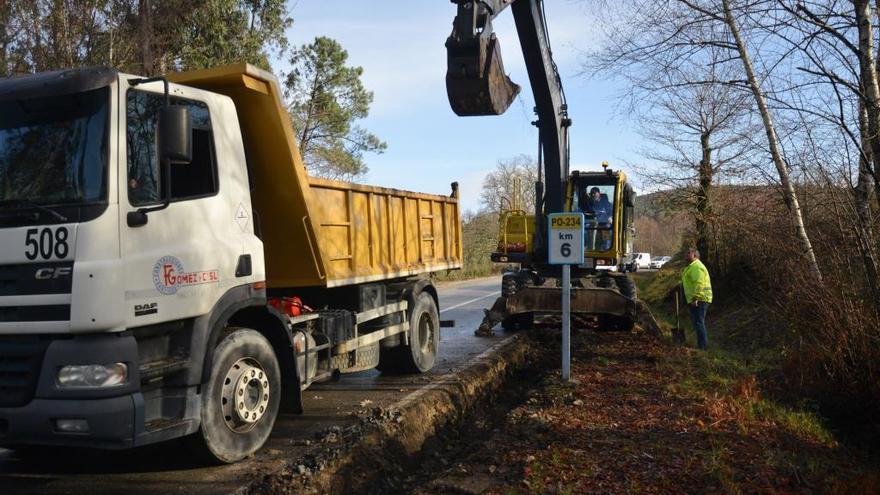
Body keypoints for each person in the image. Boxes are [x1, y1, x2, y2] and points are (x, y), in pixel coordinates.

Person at [681, 248, 713, 350]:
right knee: (697, 322)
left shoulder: (697, 267)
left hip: (700, 299)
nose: (686, 255)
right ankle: (701, 345)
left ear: (694, 255)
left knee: (699, 322)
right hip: (696, 299)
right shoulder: (691, 267)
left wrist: (695, 298)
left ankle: (703, 348)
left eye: (688, 253)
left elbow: (698, 283)